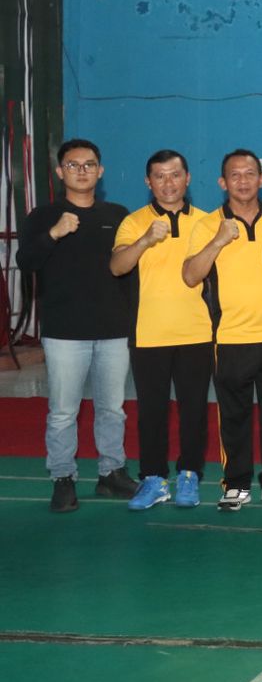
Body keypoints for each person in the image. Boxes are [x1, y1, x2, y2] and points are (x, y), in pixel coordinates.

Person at [17, 139, 135, 512]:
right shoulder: (43, 216)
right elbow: (26, 261)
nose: (82, 171)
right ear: (60, 171)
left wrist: (132, 317)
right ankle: (63, 477)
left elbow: (130, 269)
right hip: (65, 331)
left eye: (89, 164)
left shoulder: (118, 214)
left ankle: (111, 472)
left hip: (113, 329)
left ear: (101, 171)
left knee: (112, 408)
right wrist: (53, 233)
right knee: (63, 411)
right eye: (73, 165)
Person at [182, 149, 262, 511]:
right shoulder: (207, 224)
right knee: (234, 416)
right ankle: (236, 483)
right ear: (222, 182)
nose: (243, 181)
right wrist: (218, 240)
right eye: (235, 175)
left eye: (250, 174)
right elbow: (190, 276)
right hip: (231, 338)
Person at [112, 149, 213, 510]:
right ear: (148, 181)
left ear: (187, 178)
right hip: (149, 333)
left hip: (197, 332)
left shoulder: (207, 222)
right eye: (159, 176)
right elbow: (117, 267)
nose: (168, 183)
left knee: (194, 411)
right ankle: (154, 479)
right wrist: (144, 241)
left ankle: (189, 475)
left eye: (175, 175)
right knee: (151, 412)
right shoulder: (133, 222)